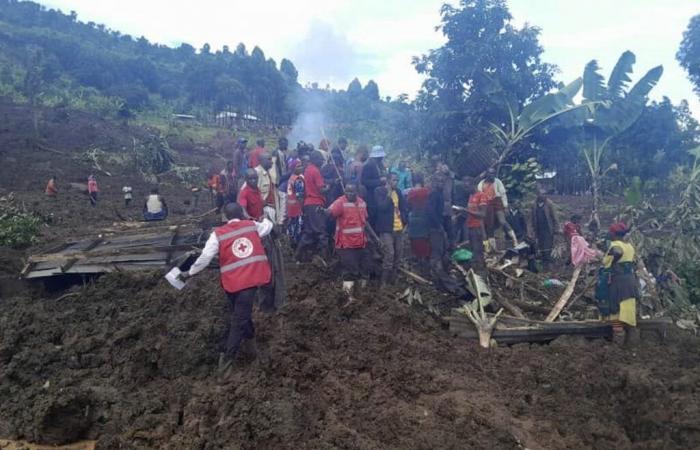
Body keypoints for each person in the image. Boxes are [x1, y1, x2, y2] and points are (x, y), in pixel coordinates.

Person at [178, 203, 273, 368]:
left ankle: (227, 360)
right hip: (250, 280)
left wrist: (190, 272)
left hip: (233, 283)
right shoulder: (251, 226)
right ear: (242, 213)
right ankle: (248, 350)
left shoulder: (218, 234)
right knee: (241, 316)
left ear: (224, 217)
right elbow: (267, 227)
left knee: (239, 318)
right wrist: (267, 219)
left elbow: (205, 257)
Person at [326, 183, 370, 303]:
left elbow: (365, 222)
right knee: (350, 271)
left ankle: (361, 295)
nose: (349, 194)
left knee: (364, 269)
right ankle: (347, 297)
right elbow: (329, 212)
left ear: (357, 192)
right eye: (347, 191)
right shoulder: (340, 202)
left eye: (351, 192)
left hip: (360, 243)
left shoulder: (362, 203)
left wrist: (374, 238)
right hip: (345, 244)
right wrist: (323, 211)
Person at [596, 222, 639, 340]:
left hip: (618, 282)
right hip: (630, 281)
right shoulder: (630, 246)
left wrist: (600, 254)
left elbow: (606, 262)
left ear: (613, 233)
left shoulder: (614, 245)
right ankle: (632, 339)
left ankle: (618, 342)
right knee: (627, 310)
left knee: (615, 310)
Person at [375, 172, 408, 285]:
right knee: (389, 254)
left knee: (399, 254)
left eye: (397, 180)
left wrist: (404, 221)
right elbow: (382, 207)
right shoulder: (379, 191)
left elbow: (404, 207)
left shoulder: (398, 192)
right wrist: (389, 194)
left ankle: (393, 280)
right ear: (388, 180)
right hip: (386, 229)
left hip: (398, 228)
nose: (396, 182)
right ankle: (383, 282)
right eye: (394, 180)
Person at [295, 150, 328, 262]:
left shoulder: (308, 169)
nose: (322, 162)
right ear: (316, 160)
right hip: (316, 204)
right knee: (321, 232)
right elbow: (321, 189)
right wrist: (331, 186)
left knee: (309, 231)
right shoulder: (315, 171)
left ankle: (298, 256)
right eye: (321, 160)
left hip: (309, 204)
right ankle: (323, 257)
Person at [478, 168, 517, 249]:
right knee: (490, 225)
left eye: (493, 173)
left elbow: (503, 194)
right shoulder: (481, 184)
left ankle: (514, 239)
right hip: (487, 204)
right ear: (487, 175)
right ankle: (493, 247)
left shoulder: (498, 182)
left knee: (502, 221)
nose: (492, 175)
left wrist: (505, 206)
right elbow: (479, 196)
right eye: (490, 173)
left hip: (497, 202)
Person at [406, 173, 431, 273]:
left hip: (413, 218)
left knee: (415, 241)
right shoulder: (426, 191)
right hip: (424, 218)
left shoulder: (410, 192)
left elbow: (408, 205)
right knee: (424, 242)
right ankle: (425, 264)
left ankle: (418, 261)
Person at [529, 192, 559, 269]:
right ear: (537, 195)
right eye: (540, 194)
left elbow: (554, 217)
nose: (542, 196)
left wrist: (556, 229)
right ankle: (543, 262)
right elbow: (532, 218)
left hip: (548, 229)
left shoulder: (549, 204)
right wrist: (532, 229)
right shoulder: (534, 204)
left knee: (548, 245)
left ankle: (548, 262)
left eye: (543, 194)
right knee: (540, 245)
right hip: (538, 229)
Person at [465, 177, 488, 268]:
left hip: (477, 227)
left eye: (467, 187)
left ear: (473, 185)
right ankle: (475, 268)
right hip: (470, 226)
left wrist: (468, 211)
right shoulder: (471, 196)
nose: (466, 189)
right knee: (472, 250)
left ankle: (481, 269)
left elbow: (483, 214)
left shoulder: (481, 196)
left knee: (477, 250)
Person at [361, 145, 387, 227]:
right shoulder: (368, 166)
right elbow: (365, 181)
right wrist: (379, 181)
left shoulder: (380, 165)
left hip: (380, 195)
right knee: (372, 216)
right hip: (371, 196)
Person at [286, 163, 305, 245]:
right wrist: (303, 208)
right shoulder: (298, 180)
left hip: (290, 207)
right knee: (297, 227)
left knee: (291, 225)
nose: (301, 168)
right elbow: (299, 196)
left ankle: (290, 242)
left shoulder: (291, 178)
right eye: (298, 166)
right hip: (297, 207)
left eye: (301, 165)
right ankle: (295, 245)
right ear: (294, 168)